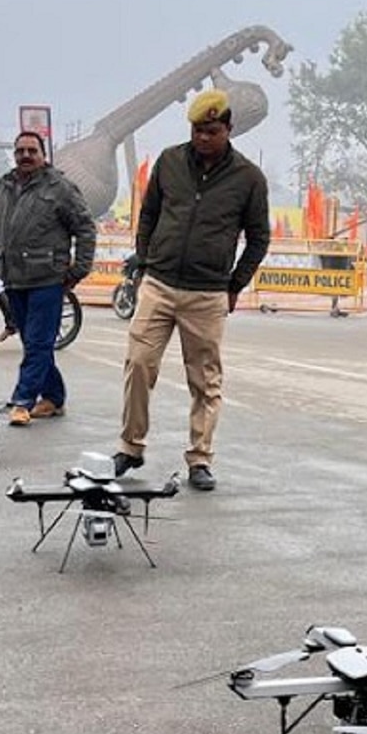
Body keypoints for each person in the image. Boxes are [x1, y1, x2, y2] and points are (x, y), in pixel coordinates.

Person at [113, 89, 270, 491]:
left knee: (204, 380)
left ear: (228, 129)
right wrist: (146, 260)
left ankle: (200, 458)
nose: (203, 138)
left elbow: (258, 237)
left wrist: (235, 283)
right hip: (160, 285)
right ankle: (130, 447)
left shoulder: (249, 178)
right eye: (198, 130)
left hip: (207, 294)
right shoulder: (169, 162)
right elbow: (148, 215)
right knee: (139, 363)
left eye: (212, 131)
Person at [0, 131, 96, 425]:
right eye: (20, 151)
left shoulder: (60, 188)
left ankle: (22, 401)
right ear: (14, 155)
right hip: (13, 279)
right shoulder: (1, 189)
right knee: (33, 342)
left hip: (48, 280)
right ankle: (53, 397)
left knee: (38, 343)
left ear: (43, 154)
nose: (25, 156)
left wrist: (79, 269)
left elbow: (85, 228)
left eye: (32, 150)